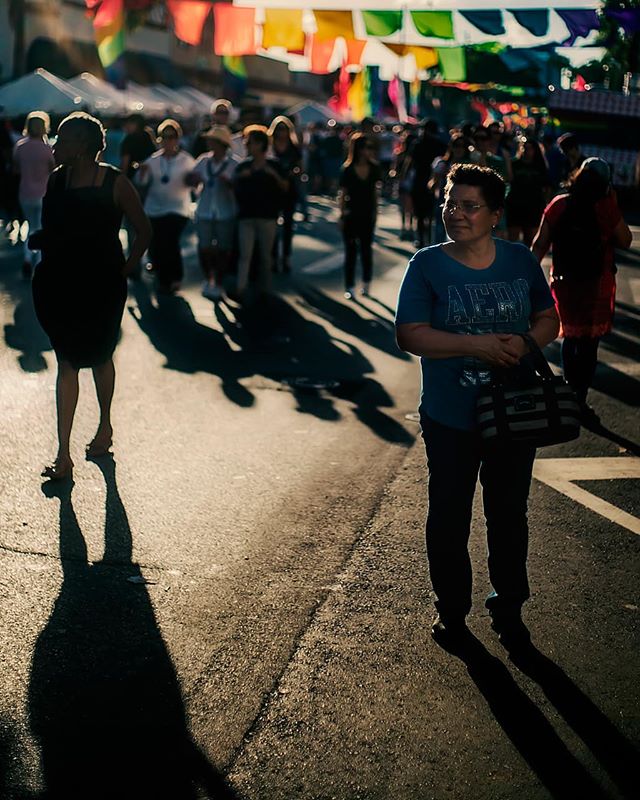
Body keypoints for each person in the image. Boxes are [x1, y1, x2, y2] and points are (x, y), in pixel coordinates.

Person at [395, 163, 559, 649]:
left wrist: (526, 343)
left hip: (513, 412)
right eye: (451, 204)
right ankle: (452, 610)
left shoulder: (519, 261)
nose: (457, 214)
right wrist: (478, 346)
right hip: (450, 417)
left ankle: (509, 605)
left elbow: (548, 317)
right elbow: (410, 334)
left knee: (509, 513)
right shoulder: (426, 264)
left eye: (470, 206)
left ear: (494, 215)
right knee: (449, 514)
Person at [31, 112, 151, 480]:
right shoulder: (57, 179)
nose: (55, 145)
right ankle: (63, 455)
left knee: (100, 356)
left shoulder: (115, 182)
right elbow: (51, 226)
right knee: (66, 361)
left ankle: (104, 427)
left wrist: (126, 268)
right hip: (61, 283)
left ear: (82, 145)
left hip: (102, 285)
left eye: (62, 139)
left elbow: (143, 230)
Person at [531, 157, 632, 425]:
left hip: (564, 282)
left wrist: (528, 277)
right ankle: (580, 397)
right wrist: (613, 203)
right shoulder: (605, 206)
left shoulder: (559, 204)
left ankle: (567, 388)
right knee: (589, 343)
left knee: (571, 338)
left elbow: (540, 243)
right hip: (597, 284)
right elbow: (626, 240)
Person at [137, 119, 195, 294]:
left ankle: (175, 277)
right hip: (154, 208)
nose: (169, 140)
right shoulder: (153, 160)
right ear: (160, 139)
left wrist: (193, 181)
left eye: (173, 137)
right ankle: (163, 277)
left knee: (170, 241)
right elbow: (141, 182)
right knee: (157, 243)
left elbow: (195, 183)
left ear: (178, 139)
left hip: (178, 208)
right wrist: (143, 173)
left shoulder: (186, 160)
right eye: (165, 137)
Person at [233, 125, 287, 301]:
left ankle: (266, 288)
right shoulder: (243, 166)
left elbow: (285, 187)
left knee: (266, 255)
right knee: (245, 254)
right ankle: (241, 287)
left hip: (267, 216)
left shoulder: (274, 165)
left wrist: (273, 176)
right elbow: (233, 187)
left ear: (260, 144)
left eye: (250, 143)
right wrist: (242, 178)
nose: (247, 146)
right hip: (246, 216)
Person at [188, 125, 239, 301]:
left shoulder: (234, 164)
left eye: (212, 141)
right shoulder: (203, 161)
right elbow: (190, 180)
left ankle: (218, 281)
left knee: (224, 249)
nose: (209, 143)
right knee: (204, 247)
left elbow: (240, 189)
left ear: (221, 144)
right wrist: (194, 180)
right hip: (205, 210)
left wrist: (230, 184)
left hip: (225, 211)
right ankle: (208, 278)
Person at [12, 111, 55, 277]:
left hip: (25, 192)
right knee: (42, 227)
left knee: (30, 226)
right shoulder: (47, 149)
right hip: (44, 193)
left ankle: (28, 257)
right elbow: (53, 170)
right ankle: (38, 263)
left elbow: (16, 169)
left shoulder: (20, 147)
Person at [338, 133, 380, 299]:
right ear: (357, 149)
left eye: (370, 147)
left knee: (366, 250)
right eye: (365, 147)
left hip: (367, 213)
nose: (368, 151)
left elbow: (375, 193)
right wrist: (341, 215)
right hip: (351, 213)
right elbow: (343, 193)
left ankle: (366, 283)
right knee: (350, 251)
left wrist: (376, 213)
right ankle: (349, 286)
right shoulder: (347, 169)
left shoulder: (374, 168)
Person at [119, 113, 156, 278]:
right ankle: (151, 259)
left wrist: (121, 184)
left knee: (131, 224)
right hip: (150, 187)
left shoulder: (129, 140)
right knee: (147, 223)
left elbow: (125, 165)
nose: (126, 127)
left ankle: (134, 264)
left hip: (133, 186)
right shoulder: (149, 139)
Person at [268, 115, 302, 274]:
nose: (282, 132)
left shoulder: (293, 147)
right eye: (279, 129)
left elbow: (300, 167)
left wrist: (292, 174)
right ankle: (273, 257)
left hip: (289, 188)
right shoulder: (269, 146)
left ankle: (286, 257)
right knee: (273, 225)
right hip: (273, 190)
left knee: (288, 225)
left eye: (285, 129)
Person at [505, 137, 550, 246]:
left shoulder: (540, 166)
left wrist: (545, 205)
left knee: (530, 240)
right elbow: (508, 180)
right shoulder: (514, 164)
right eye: (525, 147)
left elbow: (546, 187)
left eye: (530, 148)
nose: (527, 151)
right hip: (515, 204)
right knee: (512, 240)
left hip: (534, 206)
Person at [429, 134, 472, 244]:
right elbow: (432, 185)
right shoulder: (443, 163)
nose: (459, 149)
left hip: (464, 204)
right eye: (456, 145)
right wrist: (440, 175)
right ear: (451, 147)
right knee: (439, 230)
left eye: (462, 146)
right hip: (444, 202)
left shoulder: (470, 165)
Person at [410, 121, 446, 248]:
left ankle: (422, 239)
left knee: (422, 214)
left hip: (423, 180)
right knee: (428, 214)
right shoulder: (439, 144)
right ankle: (426, 239)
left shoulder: (418, 144)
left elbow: (413, 162)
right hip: (428, 181)